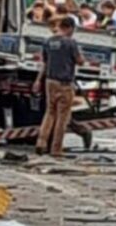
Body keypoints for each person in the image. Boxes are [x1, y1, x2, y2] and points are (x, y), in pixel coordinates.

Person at [34, 17, 85, 157]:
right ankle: (56, 149)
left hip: (50, 81)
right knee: (62, 117)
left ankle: (41, 142)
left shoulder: (48, 42)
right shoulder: (70, 43)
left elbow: (44, 63)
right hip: (65, 84)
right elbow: (80, 61)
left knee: (49, 112)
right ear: (70, 28)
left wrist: (38, 81)